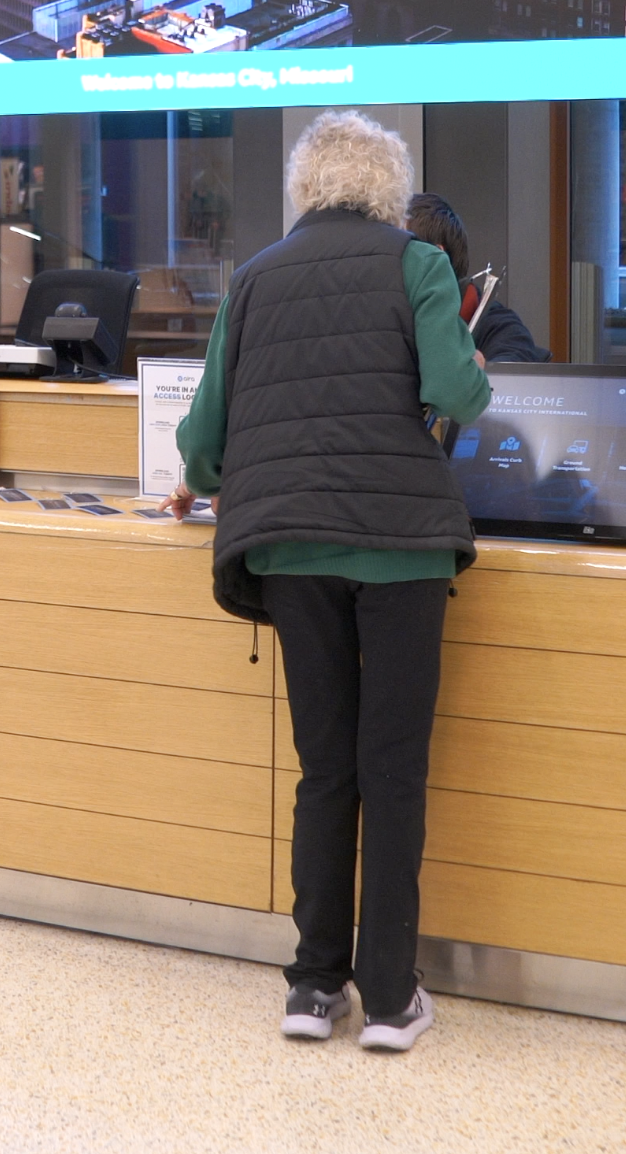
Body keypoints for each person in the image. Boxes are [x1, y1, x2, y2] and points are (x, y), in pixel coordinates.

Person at [165, 112, 490, 1055]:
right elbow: (458, 392)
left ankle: (312, 986)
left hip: (290, 552)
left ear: (305, 188)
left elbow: (203, 443)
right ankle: (389, 999)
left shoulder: (256, 277)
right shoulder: (417, 265)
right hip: (399, 548)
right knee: (393, 771)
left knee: (325, 769)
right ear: (388, 189)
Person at [404, 192, 550, 364]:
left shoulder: (501, 329)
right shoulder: (387, 318)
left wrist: (470, 374)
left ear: (436, 259)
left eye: (399, 253)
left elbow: (509, 376)